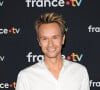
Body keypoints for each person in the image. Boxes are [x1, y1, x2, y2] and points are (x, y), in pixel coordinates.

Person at [15, 12, 90, 90]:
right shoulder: (26, 76)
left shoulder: (80, 71)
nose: (50, 44)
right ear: (39, 42)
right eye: (44, 39)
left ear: (63, 39)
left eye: (55, 37)